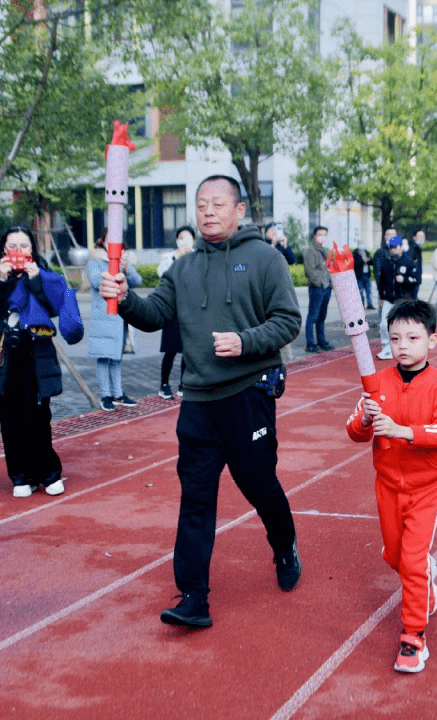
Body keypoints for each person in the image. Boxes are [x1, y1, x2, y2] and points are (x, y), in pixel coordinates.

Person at [99, 175, 303, 628]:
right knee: (195, 497)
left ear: (240, 209)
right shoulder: (184, 268)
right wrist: (126, 298)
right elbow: (154, 316)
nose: (207, 211)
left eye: (217, 204)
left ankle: (283, 543)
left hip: (248, 392)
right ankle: (194, 596)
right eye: (201, 205)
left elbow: (289, 320)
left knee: (258, 484)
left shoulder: (266, 260)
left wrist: (245, 341)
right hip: (197, 402)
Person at [345, 299, 437, 673]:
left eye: (413, 337)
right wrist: (366, 421)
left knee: (410, 561)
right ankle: (423, 577)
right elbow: (354, 431)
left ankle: (414, 637)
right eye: (395, 339)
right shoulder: (376, 385)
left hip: (427, 487)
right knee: (395, 557)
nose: (403, 346)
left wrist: (402, 431)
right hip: (388, 486)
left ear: (432, 341)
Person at [0, 225, 83, 498]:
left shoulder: (44, 274)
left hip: (36, 355)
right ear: (4, 250)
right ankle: (20, 476)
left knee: (38, 417)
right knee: (11, 420)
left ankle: (48, 474)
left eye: (24, 246)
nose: (19, 251)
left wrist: (36, 281)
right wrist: (1, 280)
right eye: (13, 246)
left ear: (32, 249)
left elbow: (55, 309)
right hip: (6, 356)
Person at [88, 233, 142, 411]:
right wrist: (114, 265)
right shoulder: (95, 261)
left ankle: (118, 393)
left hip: (120, 316)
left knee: (116, 358)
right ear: (102, 241)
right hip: (103, 315)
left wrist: (126, 269)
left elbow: (137, 281)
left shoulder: (124, 259)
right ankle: (106, 395)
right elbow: (97, 281)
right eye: (108, 238)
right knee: (104, 357)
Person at [157, 226, 196, 399]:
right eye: (181, 237)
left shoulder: (198, 257)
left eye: (187, 237)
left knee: (187, 349)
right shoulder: (169, 257)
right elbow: (162, 273)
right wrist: (176, 258)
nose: (184, 240)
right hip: (172, 310)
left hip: (191, 309)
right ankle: (164, 384)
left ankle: (183, 383)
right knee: (170, 349)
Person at [375, 236, 420, 360]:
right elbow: (381, 282)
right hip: (389, 299)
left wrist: (404, 279)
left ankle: (407, 348)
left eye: (395, 247)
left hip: (403, 300)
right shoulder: (386, 262)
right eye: (390, 247)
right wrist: (381, 296)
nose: (392, 250)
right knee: (384, 324)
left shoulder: (409, 262)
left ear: (401, 247)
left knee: (403, 326)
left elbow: (416, 280)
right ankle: (386, 348)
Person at [303, 226, 334, 354]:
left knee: (322, 317)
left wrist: (330, 283)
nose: (322, 237)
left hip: (327, 288)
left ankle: (322, 341)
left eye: (325, 234)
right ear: (314, 236)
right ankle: (311, 343)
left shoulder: (325, 251)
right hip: (318, 288)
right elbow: (309, 271)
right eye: (320, 234)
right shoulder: (310, 251)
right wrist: (320, 283)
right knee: (313, 316)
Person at [352, 243, 375, 310]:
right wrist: (363, 261)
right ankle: (361, 304)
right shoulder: (355, 255)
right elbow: (355, 264)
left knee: (369, 290)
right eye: (361, 249)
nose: (362, 250)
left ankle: (369, 304)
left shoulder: (367, 253)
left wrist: (370, 260)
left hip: (367, 275)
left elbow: (371, 263)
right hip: (359, 276)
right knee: (360, 291)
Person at [409, 230, 425, 301]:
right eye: (419, 236)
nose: (421, 238)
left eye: (423, 236)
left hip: (417, 277)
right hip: (413, 279)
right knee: (412, 299)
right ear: (414, 237)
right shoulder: (412, 248)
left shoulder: (418, 248)